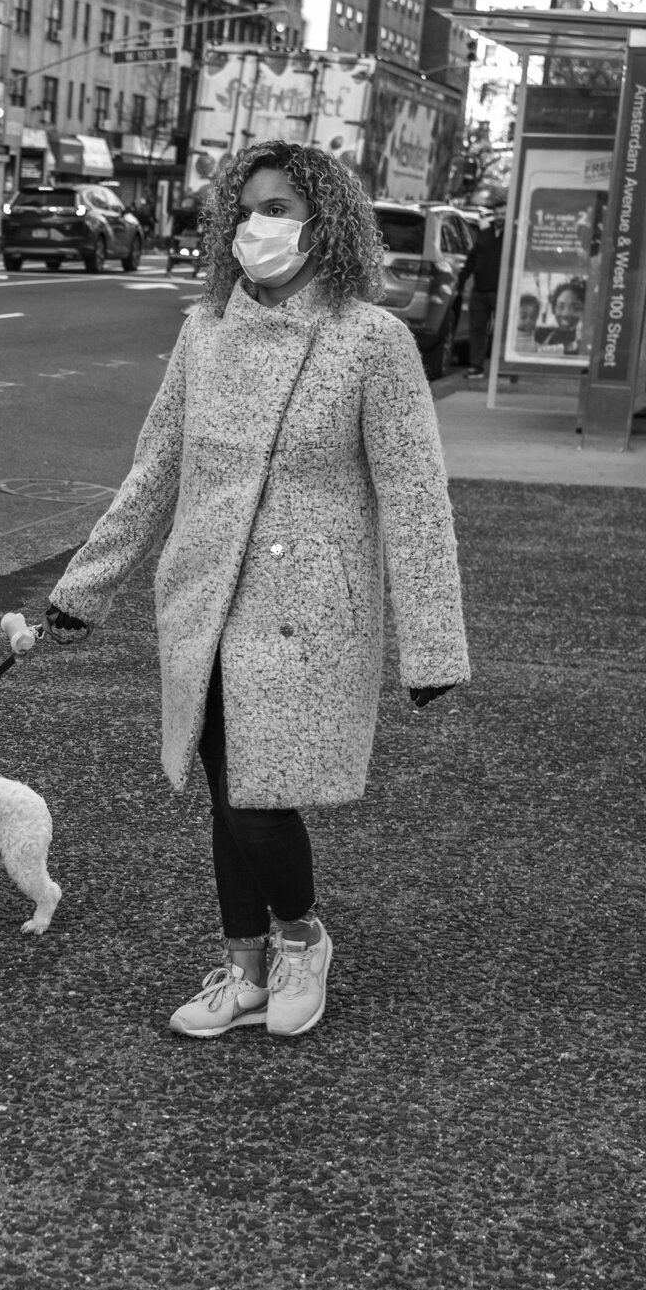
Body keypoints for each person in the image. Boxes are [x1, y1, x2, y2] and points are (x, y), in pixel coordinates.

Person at [37, 142, 469, 1040]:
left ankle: (302, 940)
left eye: (278, 207)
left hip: (310, 609)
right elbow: (154, 469)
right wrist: (86, 585)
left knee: (256, 798)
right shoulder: (207, 331)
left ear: (326, 224)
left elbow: (416, 499)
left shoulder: (372, 342)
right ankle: (242, 966)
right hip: (205, 593)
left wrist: (432, 644)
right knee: (227, 784)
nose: (254, 226)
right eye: (244, 207)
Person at [461, 212, 505, 379]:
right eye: (499, 212)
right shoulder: (485, 234)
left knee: (500, 330)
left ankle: (501, 365)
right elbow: (473, 257)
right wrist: (462, 279)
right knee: (477, 329)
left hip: (500, 290)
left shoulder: (512, 235)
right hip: (480, 289)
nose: (501, 216)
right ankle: (476, 366)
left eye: (505, 211)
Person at [536, 278, 587, 354]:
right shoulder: (541, 335)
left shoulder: (587, 342)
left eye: (576, 308)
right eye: (560, 307)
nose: (566, 314)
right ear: (553, 309)